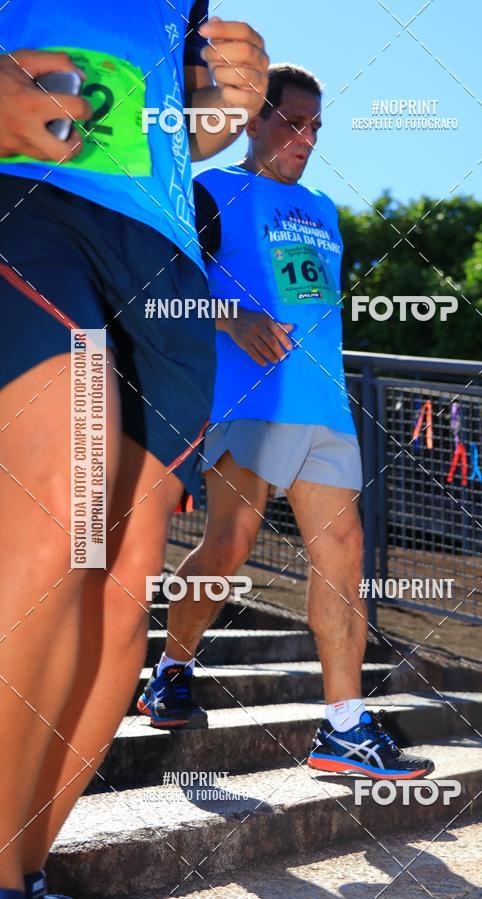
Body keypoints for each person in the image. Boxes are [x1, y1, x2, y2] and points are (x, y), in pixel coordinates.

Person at [0, 4, 269, 899]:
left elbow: (157, 117)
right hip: (33, 199)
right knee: (62, 512)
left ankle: (29, 869)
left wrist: (216, 109)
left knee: (123, 586)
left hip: (162, 250)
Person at [139, 64, 435, 782]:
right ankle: (173, 664)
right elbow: (154, 296)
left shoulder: (326, 211)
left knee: (344, 548)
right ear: (253, 119)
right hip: (249, 404)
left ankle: (342, 727)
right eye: (293, 122)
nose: (306, 139)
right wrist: (230, 314)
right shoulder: (211, 194)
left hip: (325, 407)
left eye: (316, 127)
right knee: (230, 544)